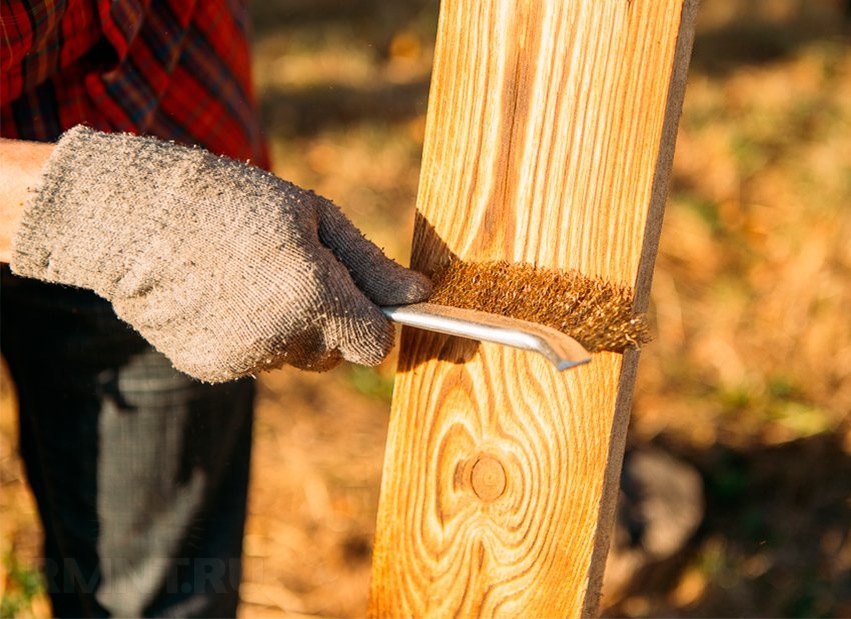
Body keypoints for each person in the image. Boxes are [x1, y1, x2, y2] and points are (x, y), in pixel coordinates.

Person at [0, 1, 430, 616]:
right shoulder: (140, 217)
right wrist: (99, 209)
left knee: (164, 595)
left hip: (172, 130)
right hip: (151, 211)